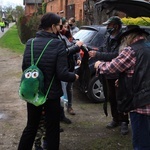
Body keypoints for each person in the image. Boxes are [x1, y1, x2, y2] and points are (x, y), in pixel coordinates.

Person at [17, 12, 79, 150]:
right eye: (59, 26)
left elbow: (25, 68)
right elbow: (62, 74)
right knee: (52, 129)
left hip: (34, 92)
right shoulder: (57, 44)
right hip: (51, 95)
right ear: (52, 26)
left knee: (31, 126)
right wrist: (73, 76)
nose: (61, 28)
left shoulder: (30, 43)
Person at [94, 25, 150, 150]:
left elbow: (112, 67)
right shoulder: (148, 47)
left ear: (129, 37)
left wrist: (98, 65)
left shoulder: (131, 50)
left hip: (140, 104)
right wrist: (124, 79)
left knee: (141, 143)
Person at [88, 16, 129, 135]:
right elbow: (103, 48)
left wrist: (98, 54)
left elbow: (116, 55)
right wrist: (94, 51)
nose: (107, 27)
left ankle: (124, 122)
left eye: (109, 25)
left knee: (121, 98)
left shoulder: (123, 39)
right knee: (111, 97)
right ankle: (115, 119)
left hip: (119, 73)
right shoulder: (108, 36)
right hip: (108, 72)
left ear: (116, 26)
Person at [60, 19, 82, 115]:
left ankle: (70, 107)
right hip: (63, 67)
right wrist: (76, 47)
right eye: (64, 26)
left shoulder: (70, 37)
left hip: (71, 66)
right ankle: (61, 112)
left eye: (67, 26)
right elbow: (66, 51)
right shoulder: (59, 38)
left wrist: (78, 57)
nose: (66, 28)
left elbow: (75, 49)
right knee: (62, 90)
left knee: (70, 88)